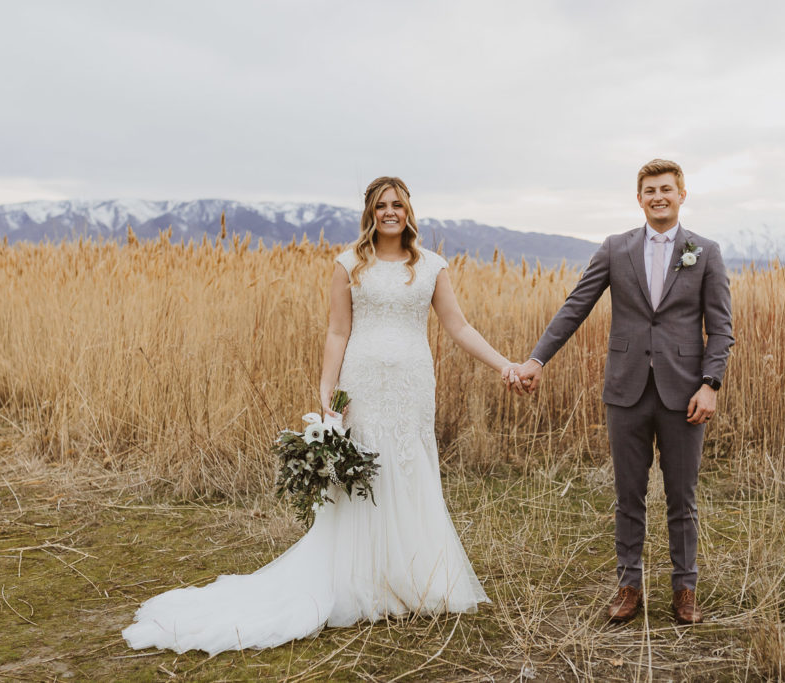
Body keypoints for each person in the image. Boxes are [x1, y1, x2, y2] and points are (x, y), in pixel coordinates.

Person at [123, 176, 517, 655]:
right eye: (381, 206)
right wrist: (327, 389)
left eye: (397, 205)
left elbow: (458, 326)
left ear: (409, 210)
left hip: (413, 385)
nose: (390, 212)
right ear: (370, 213)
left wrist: (505, 365)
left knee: (410, 468)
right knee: (366, 468)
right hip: (365, 384)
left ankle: (413, 576)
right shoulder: (349, 264)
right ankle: (361, 579)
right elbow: (336, 330)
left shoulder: (432, 266)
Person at [510, 159, 734, 624]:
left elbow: (722, 328)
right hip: (626, 390)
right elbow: (576, 306)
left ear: (681, 195)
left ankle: (684, 588)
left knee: (682, 496)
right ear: (639, 198)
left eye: (667, 189)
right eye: (650, 190)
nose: (658, 196)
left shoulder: (705, 252)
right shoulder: (616, 249)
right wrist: (536, 359)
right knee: (628, 495)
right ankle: (628, 585)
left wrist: (710, 384)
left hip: (685, 393)